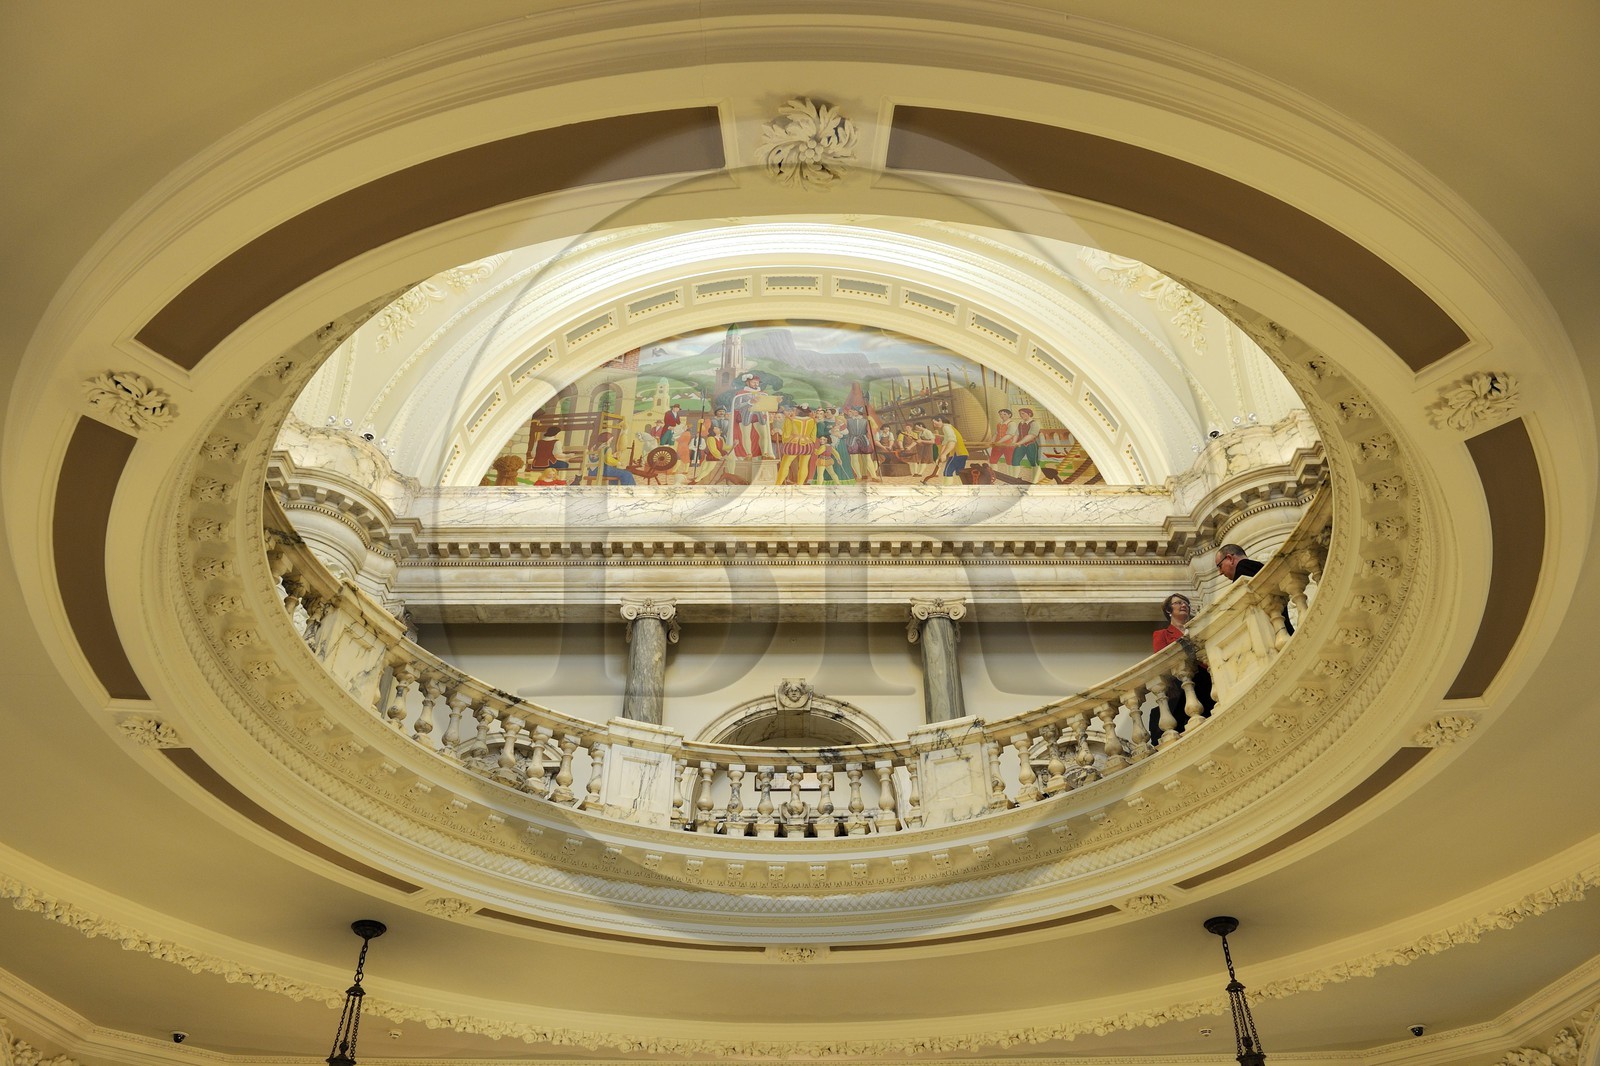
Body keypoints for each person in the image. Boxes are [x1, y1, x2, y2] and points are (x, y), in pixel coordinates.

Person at [1150, 593, 1214, 740]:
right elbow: (1162, 662)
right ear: (1168, 610)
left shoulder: (1198, 630)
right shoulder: (1162, 634)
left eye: (1185, 603)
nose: (1183, 605)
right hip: (1183, 683)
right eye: (1178, 603)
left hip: (1207, 678)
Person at [1215, 543, 1293, 634]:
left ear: (1230, 558)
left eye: (1220, 566)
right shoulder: (1256, 567)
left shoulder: (1243, 567)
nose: (1220, 572)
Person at [930, 413, 968, 484]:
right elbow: (945, 443)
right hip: (962, 454)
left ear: (940, 420)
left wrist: (944, 454)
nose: (934, 425)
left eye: (934, 422)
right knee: (959, 473)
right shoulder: (949, 427)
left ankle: (946, 489)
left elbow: (952, 441)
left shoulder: (946, 427)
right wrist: (940, 456)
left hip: (957, 454)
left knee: (947, 472)